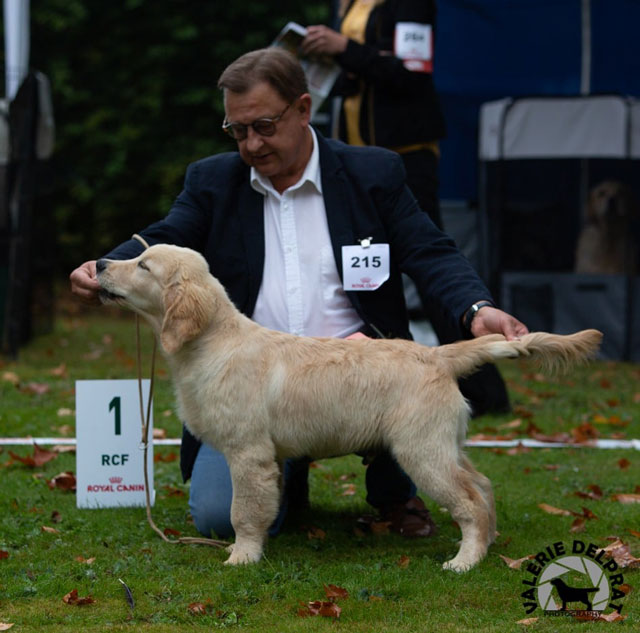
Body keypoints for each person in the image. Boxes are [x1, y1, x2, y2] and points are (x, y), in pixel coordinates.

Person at [70, 47, 528, 542]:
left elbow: (431, 251)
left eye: (264, 126)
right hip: (256, 383)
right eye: (237, 130)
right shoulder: (212, 180)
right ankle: (289, 479)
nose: (251, 143)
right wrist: (103, 270)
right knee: (218, 519)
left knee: (406, 410)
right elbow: (165, 235)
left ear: (304, 109)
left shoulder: (372, 173)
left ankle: (396, 494)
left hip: (363, 369)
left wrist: (476, 309)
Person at [302, 1, 512, 415]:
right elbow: (360, 75)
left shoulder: (410, 2)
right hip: (353, 161)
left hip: (405, 160)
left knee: (430, 271)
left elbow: (409, 75)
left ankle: (486, 393)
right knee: (363, 273)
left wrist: (345, 48)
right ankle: (374, 386)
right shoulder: (345, 2)